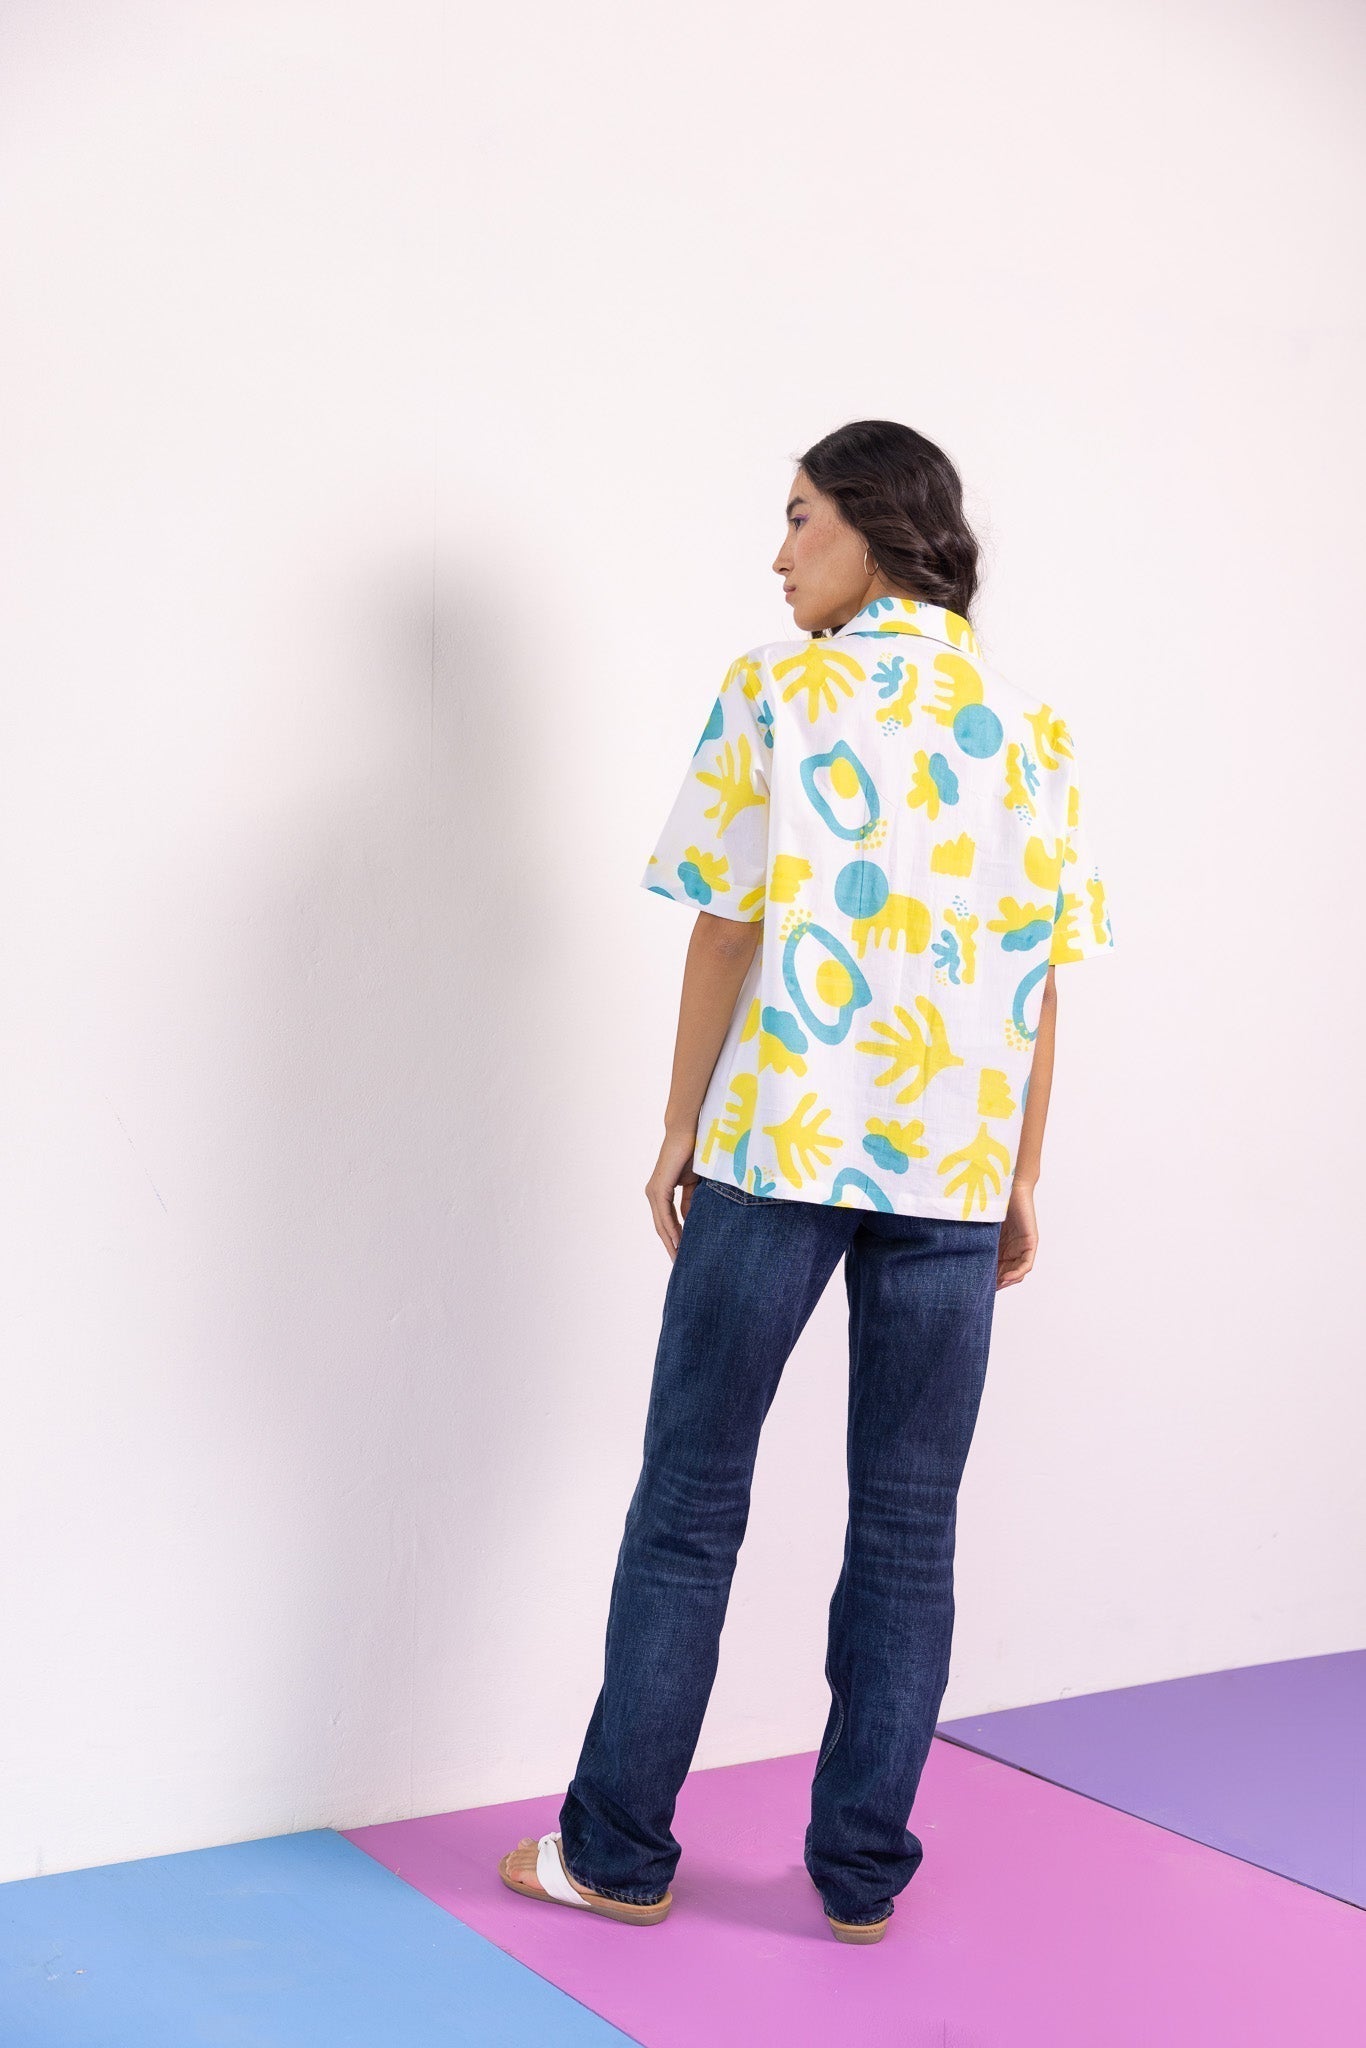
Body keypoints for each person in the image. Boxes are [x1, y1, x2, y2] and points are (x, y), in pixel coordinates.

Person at [498, 418, 1116, 1942]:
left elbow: (726, 923)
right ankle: (857, 1882)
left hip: (779, 1143)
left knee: (689, 1502)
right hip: (953, 1164)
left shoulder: (777, 687)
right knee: (908, 1527)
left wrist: (676, 1124)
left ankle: (615, 1855)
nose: (777, 555)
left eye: (797, 517)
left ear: (873, 526)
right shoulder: (1026, 723)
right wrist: (1021, 1171)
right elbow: (1036, 976)